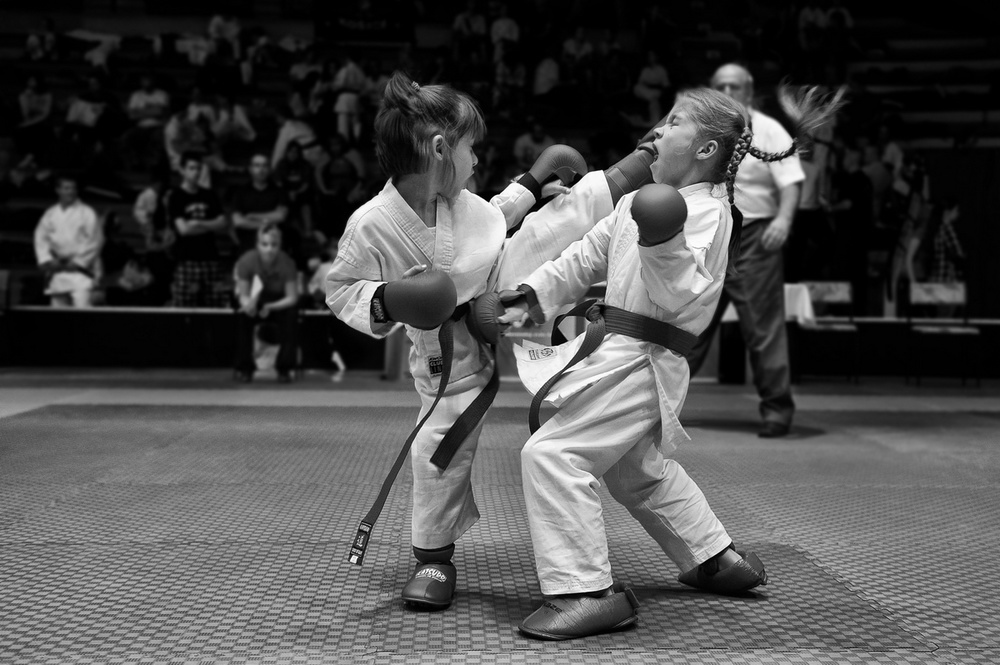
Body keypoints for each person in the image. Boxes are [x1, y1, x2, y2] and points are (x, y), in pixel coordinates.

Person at [496, 83, 842, 640]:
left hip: (649, 360)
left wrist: (663, 239)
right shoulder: (638, 202)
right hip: (617, 351)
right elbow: (577, 261)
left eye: (674, 122)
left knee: (553, 455)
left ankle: (584, 590)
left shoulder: (709, 212)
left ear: (705, 150)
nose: (657, 130)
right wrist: (524, 299)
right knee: (637, 472)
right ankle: (712, 556)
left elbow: (681, 293)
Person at [326, 70, 652, 613]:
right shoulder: (371, 224)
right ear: (438, 149)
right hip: (443, 345)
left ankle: (628, 173)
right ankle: (433, 556)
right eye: (471, 148)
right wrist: (392, 300)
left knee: (549, 227)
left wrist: (531, 181)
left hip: (503, 294)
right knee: (438, 443)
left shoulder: (461, 202)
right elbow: (341, 290)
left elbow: (497, 220)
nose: (476, 160)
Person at [684, 63, 808, 439]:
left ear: (749, 90)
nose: (728, 91)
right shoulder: (702, 127)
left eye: (734, 85)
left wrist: (784, 221)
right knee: (689, 323)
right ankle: (656, 404)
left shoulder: (768, 130)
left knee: (763, 327)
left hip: (754, 235)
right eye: (720, 85)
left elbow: (790, 182)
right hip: (708, 232)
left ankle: (777, 409)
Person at [233, 224, 299, 383]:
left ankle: (285, 368)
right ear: (257, 244)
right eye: (264, 244)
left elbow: (292, 298)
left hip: (278, 302)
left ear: (279, 245)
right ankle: (244, 368)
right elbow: (242, 295)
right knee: (240, 316)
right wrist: (248, 305)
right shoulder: (246, 261)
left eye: (274, 245)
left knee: (291, 315)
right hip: (255, 299)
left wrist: (269, 307)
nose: (269, 249)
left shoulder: (287, 264)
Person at [164, 151, 230, 307]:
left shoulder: (209, 194)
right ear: (182, 170)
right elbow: (184, 230)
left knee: (216, 303)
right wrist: (209, 225)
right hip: (187, 260)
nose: (196, 172)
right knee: (185, 304)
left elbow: (223, 222)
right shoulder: (175, 196)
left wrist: (198, 224)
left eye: (199, 168)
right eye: (192, 168)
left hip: (211, 258)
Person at [34, 175, 103, 308]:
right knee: (59, 318)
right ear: (57, 190)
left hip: (81, 272)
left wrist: (78, 262)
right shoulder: (50, 213)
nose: (70, 192)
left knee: (83, 313)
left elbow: (95, 240)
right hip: (58, 269)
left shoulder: (87, 212)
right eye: (66, 188)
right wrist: (47, 260)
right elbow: (40, 238)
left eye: (73, 188)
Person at [229, 152, 289, 254]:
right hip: (247, 248)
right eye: (257, 165)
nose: (261, 170)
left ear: (270, 169)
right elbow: (238, 221)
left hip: (273, 249)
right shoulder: (240, 192)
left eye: (264, 165)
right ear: (250, 169)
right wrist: (267, 223)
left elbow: (280, 216)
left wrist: (252, 215)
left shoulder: (279, 191)